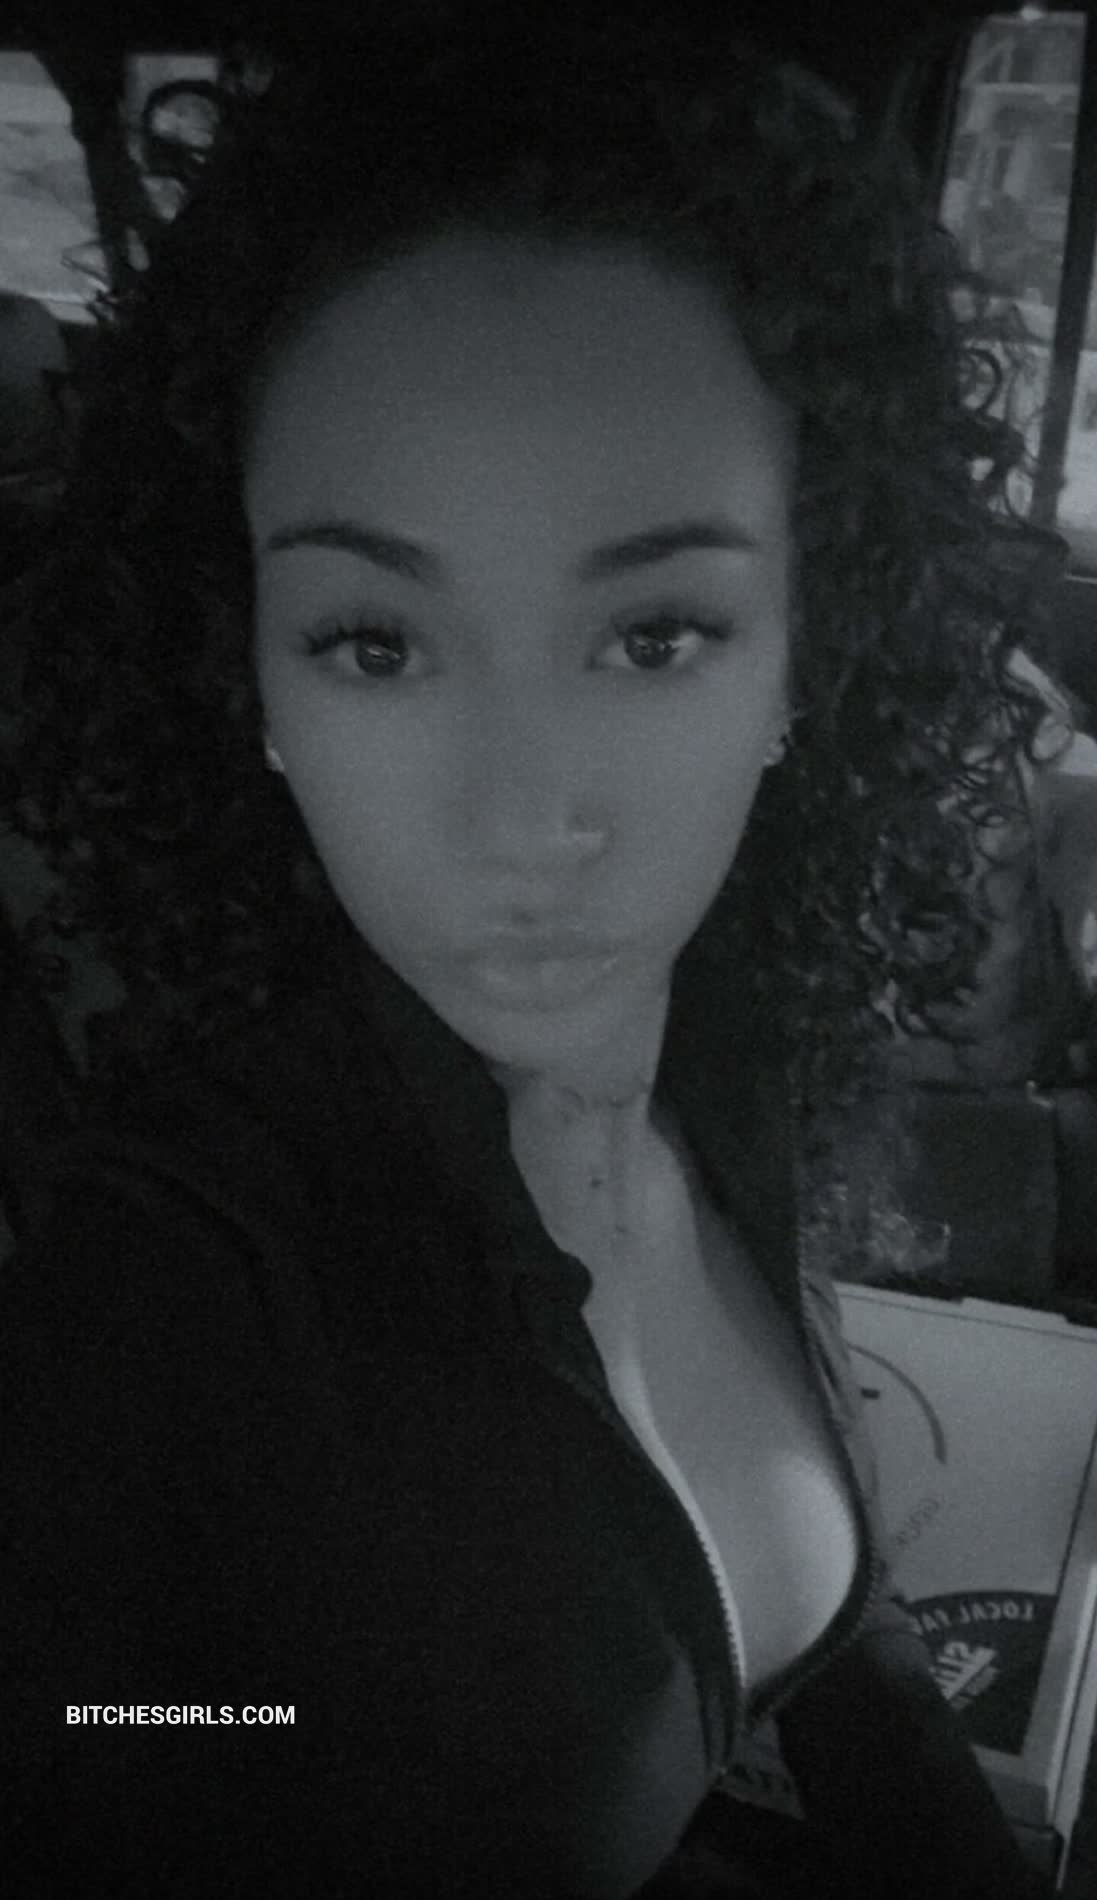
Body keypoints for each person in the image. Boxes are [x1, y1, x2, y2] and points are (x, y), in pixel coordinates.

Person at [0, 5, 1063, 1895]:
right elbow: (92, 1730)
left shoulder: (724, 1059)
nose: (522, 819)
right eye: (375, 644)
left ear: (798, 663)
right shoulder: (171, 1279)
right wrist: (297, 1736)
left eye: (653, 636)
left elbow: (842, 1649)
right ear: (253, 685)